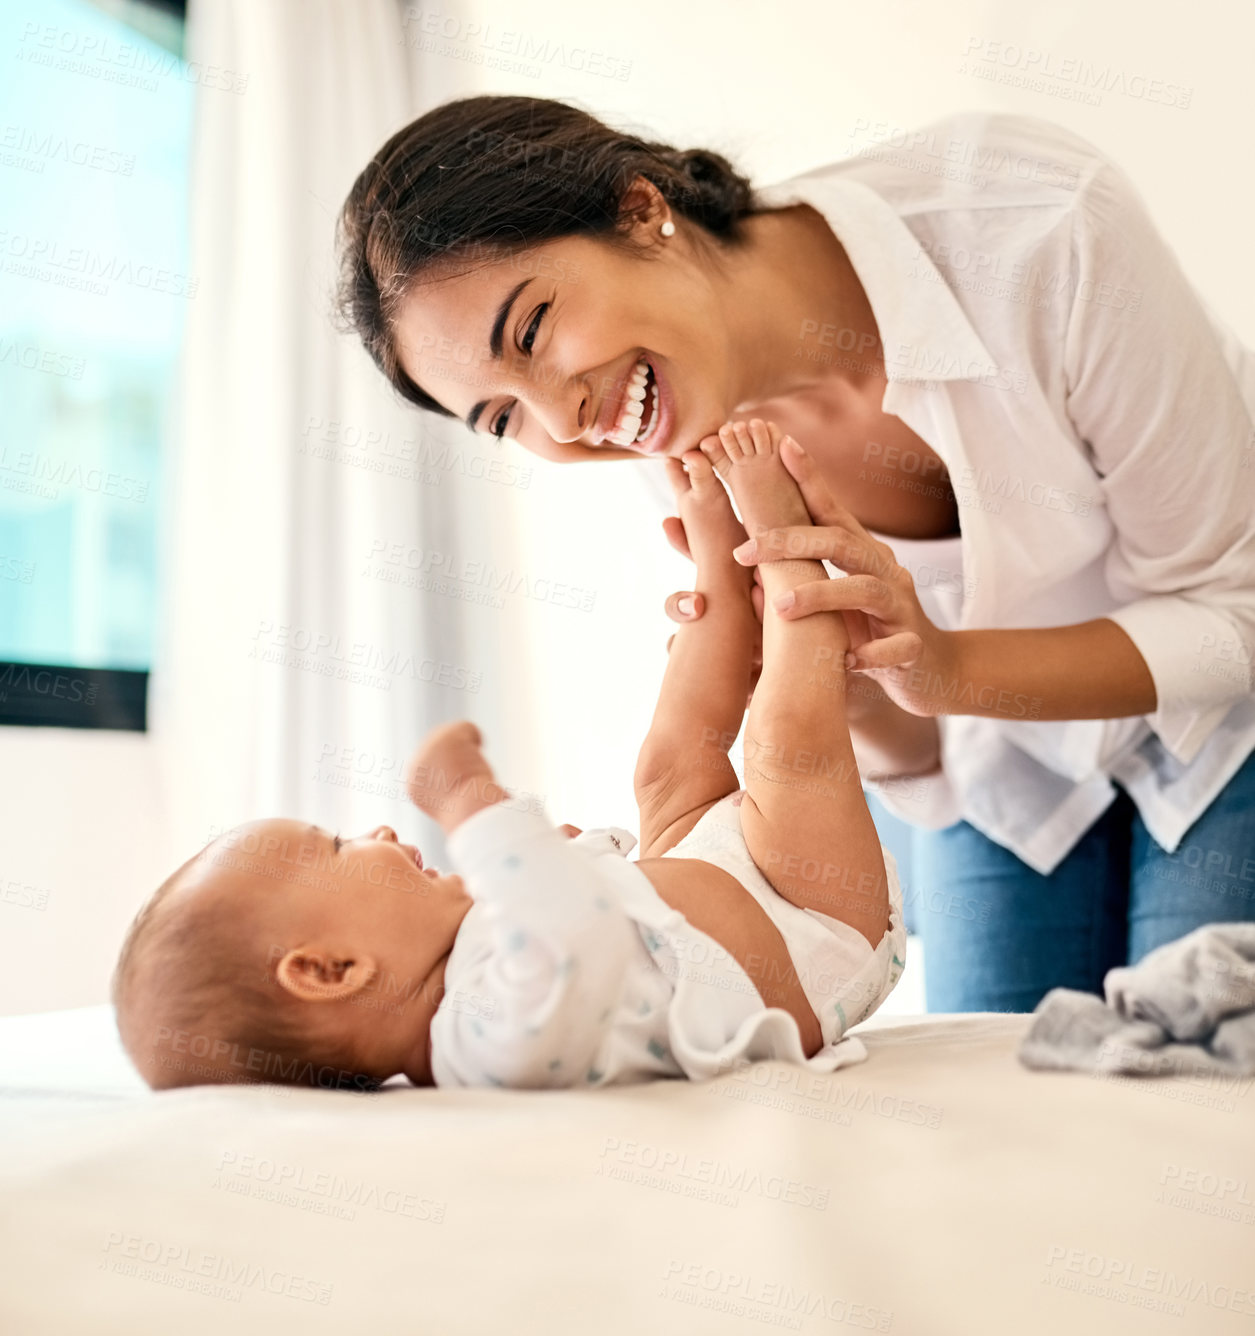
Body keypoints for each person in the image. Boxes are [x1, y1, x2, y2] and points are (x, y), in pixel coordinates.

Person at [336, 99, 1255, 1013]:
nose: (561, 420)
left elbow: (1234, 615)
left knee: (1182, 1078)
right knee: (995, 1100)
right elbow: (920, 747)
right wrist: (842, 683)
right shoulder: (679, 436)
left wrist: (945, 667)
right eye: (502, 418)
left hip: (1227, 716)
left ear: (639, 209)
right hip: (1007, 761)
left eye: (530, 330)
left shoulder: (1034, 223)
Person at [113, 422, 905, 1091]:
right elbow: (573, 941)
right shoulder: (483, 1043)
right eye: (335, 846)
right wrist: (469, 805)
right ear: (330, 970)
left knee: (664, 769)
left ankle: (720, 575)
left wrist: (575, 875)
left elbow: (582, 927)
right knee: (784, 746)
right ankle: (782, 547)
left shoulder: (474, 979)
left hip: (707, 888)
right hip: (808, 925)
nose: (378, 835)